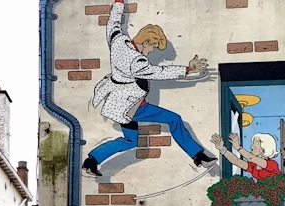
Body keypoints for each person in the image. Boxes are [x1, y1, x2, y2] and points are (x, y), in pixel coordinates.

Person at [82, 0, 217, 177]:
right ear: (145, 42)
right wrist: (188, 69)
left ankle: (91, 161)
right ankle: (199, 156)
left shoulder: (118, 41)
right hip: (132, 106)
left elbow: (113, 22)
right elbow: (159, 72)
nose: (152, 51)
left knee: (130, 140)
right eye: (153, 47)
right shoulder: (137, 61)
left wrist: (119, 3)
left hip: (118, 103)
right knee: (174, 120)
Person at [211, 132, 282, 180]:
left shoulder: (272, 164)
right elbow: (236, 161)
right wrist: (222, 148)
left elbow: (251, 158)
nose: (251, 146)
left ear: (262, 149)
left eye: (255, 145)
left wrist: (238, 147)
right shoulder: (253, 165)